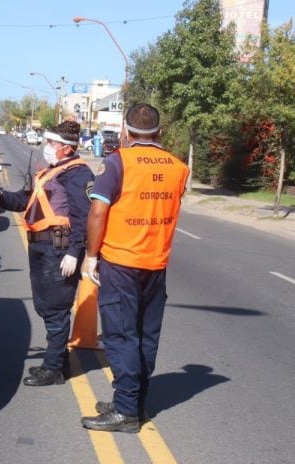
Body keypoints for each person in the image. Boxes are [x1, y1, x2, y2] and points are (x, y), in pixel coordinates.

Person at [81, 103, 189, 433]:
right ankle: (134, 401)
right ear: (159, 131)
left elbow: (98, 212)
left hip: (122, 263)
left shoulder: (118, 163)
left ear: (126, 132)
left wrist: (90, 255)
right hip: (156, 265)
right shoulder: (178, 167)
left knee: (121, 336)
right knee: (145, 336)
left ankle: (126, 411)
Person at [0, 120, 94, 386]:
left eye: (52, 143)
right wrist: (0, 195)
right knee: (46, 306)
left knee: (56, 307)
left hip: (57, 250)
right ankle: (57, 362)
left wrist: (74, 252)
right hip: (41, 247)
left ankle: (54, 368)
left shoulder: (78, 174)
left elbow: (84, 217)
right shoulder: (51, 172)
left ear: (67, 149)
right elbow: (28, 201)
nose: (47, 147)